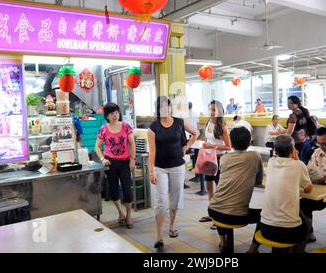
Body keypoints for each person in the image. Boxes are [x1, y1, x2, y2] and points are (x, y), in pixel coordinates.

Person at [148, 96, 199, 249]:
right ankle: (159, 236)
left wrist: (186, 147)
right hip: (160, 168)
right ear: (158, 110)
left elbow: (196, 133)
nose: (166, 109)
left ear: (171, 108)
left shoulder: (180, 122)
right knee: (161, 201)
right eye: (162, 107)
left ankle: (171, 226)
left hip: (178, 166)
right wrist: (151, 171)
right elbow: (152, 150)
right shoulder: (153, 127)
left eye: (168, 106)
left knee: (176, 198)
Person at [207, 126, 263, 253]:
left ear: (231, 143)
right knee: (265, 215)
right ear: (250, 142)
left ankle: (222, 242)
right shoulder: (255, 156)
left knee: (222, 207)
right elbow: (258, 182)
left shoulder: (224, 158)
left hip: (213, 210)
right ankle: (252, 250)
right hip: (237, 215)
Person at [254, 135, 313, 253]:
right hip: (288, 231)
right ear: (293, 150)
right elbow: (308, 188)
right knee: (307, 224)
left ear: (275, 150)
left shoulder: (271, 162)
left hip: (265, 228)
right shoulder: (299, 165)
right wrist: (297, 160)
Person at [95, 103, 136, 229]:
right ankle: (120, 213)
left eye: (117, 113)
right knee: (114, 189)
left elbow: (132, 144)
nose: (115, 115)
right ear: (107, 116)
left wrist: (132, 159)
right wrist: (102, 159)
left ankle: (129, 214)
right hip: (110, 162)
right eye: (112, 114)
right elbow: (97, 146)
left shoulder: (125, 126)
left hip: (124, 162)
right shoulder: (103, 129)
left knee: (127, 189)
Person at [199, 100, 232, 226]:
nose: (212, 112)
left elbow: (229, 147)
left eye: (214, 110)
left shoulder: (222, 126)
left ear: (219, 111)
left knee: (219, 188)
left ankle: (219, 216)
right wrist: (206, 147)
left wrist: (213, 146)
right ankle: (211, 212)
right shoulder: (208, 123)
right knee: (209, 186)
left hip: (218, 159)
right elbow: (207, 139)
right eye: (210, 109)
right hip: (208, 158)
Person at [280, 96, 316, 164]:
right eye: (287, 103)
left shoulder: (293, 116)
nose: (288, 105)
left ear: (296, 104)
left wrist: (283, 140)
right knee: (305, 162)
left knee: (298, 163)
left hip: (298, 143)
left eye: (290, 103)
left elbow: (289, 132)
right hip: (307, 141)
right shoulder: (304, 111)